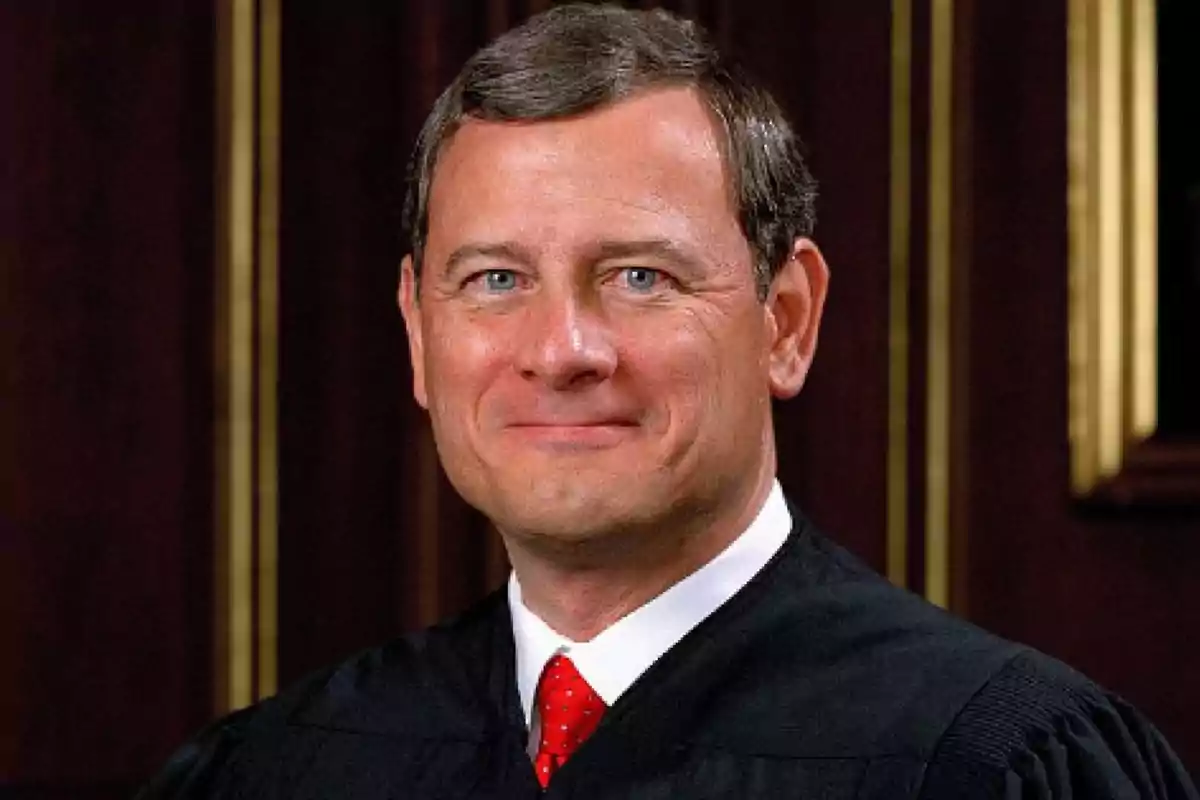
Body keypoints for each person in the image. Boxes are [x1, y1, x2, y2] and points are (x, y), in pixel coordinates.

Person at [138, 4, 1197, 798]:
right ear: (419, 332)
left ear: (786, 318)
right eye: (496, 279)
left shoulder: (992, 759)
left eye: (640, 276)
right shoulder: (278, 767)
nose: (561, 350)